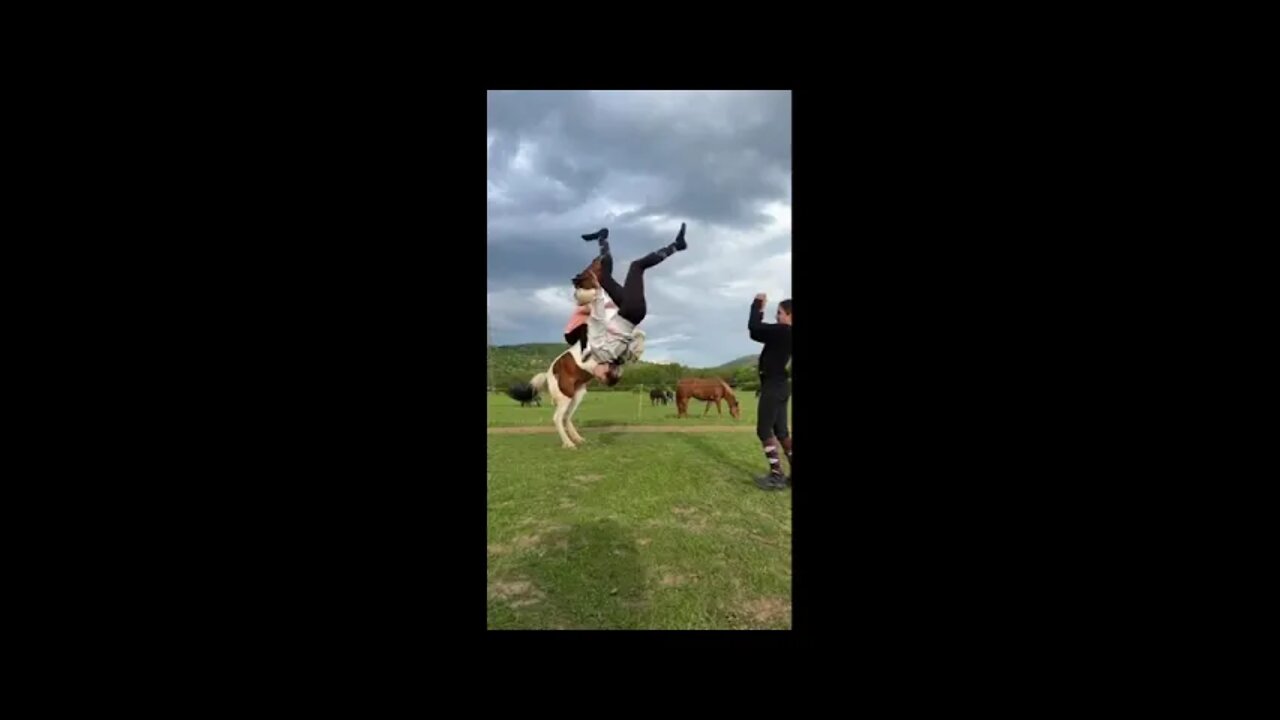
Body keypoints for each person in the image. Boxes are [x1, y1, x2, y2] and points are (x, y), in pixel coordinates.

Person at [570, 223, 688, 384]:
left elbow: (630, 342)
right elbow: (598, 320)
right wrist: (597, 293)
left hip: (629, 311)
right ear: (606, 371)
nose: (595, 375)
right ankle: (677, 246)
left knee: (604, 278)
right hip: (631, 310)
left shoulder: (618, 358)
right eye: (599, 377)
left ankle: (602, 238)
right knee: (636, 266)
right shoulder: (600, 353)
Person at [749, 293, 792, 490]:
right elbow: (756, 333)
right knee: (781, 431)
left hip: (773, 386)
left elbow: (754, 328)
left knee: (764, 430)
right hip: (782, 386)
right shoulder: (785, 334)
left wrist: (757, 306)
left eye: (780, 313)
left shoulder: (783, 331)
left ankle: (777, 475)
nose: (777, 317)